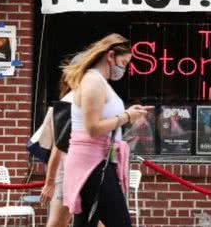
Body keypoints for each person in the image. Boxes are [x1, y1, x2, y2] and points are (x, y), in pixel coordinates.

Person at [62, 34, 151, 227]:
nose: (124, 69)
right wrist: (127, 117)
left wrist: (129, 114)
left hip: (97, 161)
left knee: (87, 223)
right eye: (124, 62)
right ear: (110, 56)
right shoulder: (93, 81)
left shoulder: (99, 82)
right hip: (92, 163)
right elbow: (92, 128)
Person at [39, 56, 80, 227]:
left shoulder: (86, 99)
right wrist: (49, 183)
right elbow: (59, 146)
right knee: (57, 223)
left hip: (82, 173)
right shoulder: (70, 102)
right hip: (67, 175)